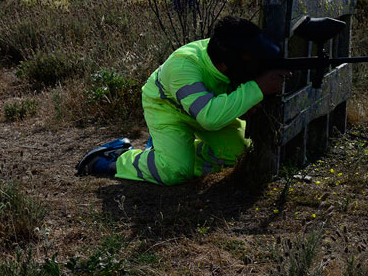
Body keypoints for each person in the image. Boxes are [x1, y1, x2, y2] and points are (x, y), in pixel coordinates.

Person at [75, 16, 290, 185]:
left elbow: (216, 104)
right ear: (227, 65)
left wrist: (243, 105)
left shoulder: (227, 56)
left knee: (238, 153)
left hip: (204, 106)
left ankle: (168, 153)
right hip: (166, 107)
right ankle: (118, 159)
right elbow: (209, 118)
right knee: (175, 172)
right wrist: (257, 87)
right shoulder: (184, 66)